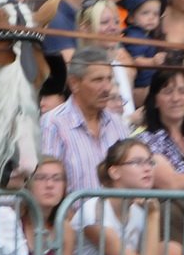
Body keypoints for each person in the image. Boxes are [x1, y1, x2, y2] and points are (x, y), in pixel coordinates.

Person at [40, 47, 130, 195]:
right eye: (98, 80)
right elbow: (48, 184)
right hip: (70, 217)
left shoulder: (118, 124)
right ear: (74, 83)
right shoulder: (53, 124)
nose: (107, 88)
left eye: (109, 79)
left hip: (115, 216)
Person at [141, 67, 184, 190]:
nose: (176, 98)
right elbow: (171, 184)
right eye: (167, 92)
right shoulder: (144, 143)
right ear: (155, 100)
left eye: (182, 91)